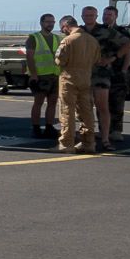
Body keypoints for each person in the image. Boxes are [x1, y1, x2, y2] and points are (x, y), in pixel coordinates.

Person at [82, 6, 125, 152]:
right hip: (83, 74)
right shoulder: (79, 31)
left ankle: (106, 139)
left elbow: (127, 45)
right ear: (82, 16)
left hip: (101, 74)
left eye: (91, 15)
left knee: (103, 107)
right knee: (84, 109)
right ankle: (87, 138)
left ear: (96, 16)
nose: (88, 17)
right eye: (86, 15)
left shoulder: (106, 31)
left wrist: (112, 58)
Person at [55, 16, 100, 155]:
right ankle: (89, 143)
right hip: (86, 78)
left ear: (66, 26)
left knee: (67, 110)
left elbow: (60, 60)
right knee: (86, 112)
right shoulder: (92, 40)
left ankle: (67, 143)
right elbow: (96, 60)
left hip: (69, 79)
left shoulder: (68, 40)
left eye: (63, 29)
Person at [24, 14, 61, 140]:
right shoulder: (34, 38)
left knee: (52, 102)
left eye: (52, 22)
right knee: (38, 102)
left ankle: (49, 127)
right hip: (40, 76)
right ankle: (35, 127)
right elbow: (29, 57)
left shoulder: (57, 38)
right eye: (48, 22)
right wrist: (34, 74)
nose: (50, 24)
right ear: (41, 23)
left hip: (55, 75)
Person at [101, 6, 130, 139]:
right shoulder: (99, 30)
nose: (106, 17)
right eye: (105, 14)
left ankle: (116, 130)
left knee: (117, 102)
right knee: (102, 103)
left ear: (115, 16)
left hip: (117, 70)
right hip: (101, 71)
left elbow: (128, 50)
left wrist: (124, 70)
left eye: (109, 14)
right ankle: (104, 130)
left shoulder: (122, 32)